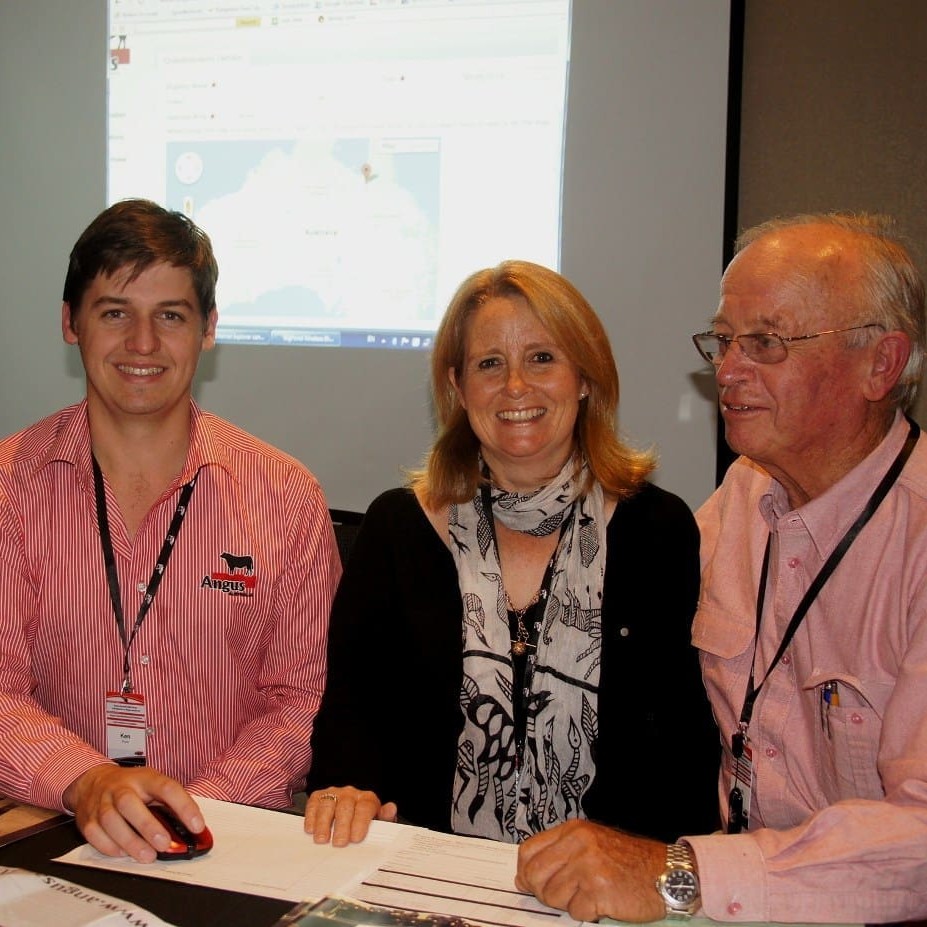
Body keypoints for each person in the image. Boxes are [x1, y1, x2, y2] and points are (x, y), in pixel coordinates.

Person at [515, 213, 927, 924]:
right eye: (724, 340)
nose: (727, 370)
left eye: (766, 342)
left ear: (879, 364)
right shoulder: (740, 495)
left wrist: (683, 873)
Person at [304, 259, 719, 847]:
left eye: (542, 358)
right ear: (457, 387)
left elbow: (683, 742)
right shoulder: (398, 528)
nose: (515, 386)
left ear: (585, 377)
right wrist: (345, 788)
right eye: (489, 364)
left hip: (601, 890)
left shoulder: (657, 528)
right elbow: (352, 709)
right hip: (426, 874)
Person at [0, 199, 340, 863]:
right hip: (50, 834)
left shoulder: (287, 496)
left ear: (208, 328)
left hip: (231, 839)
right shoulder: (8, 488)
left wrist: (195, 814)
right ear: (71, 322)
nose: (143, 343)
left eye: (171, 316)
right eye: (115, 311)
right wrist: (90, 781)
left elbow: (301, 699)